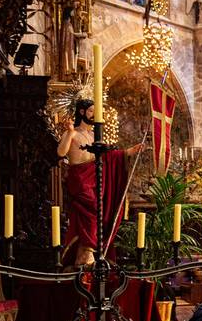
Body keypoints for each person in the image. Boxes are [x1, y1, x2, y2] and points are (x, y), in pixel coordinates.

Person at [56, 99, 143, 267]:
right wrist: (68, 132)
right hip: (80, 179)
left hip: (95, 178)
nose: (94, 115)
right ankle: (86, 253)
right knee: (92, 209)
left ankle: (87, 253)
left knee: (99, 212)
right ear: (81, 112)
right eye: (91, 111)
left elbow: (108, 157)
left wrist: (128, 152)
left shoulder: (94, 136)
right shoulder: (74, 133)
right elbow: (61, 152)